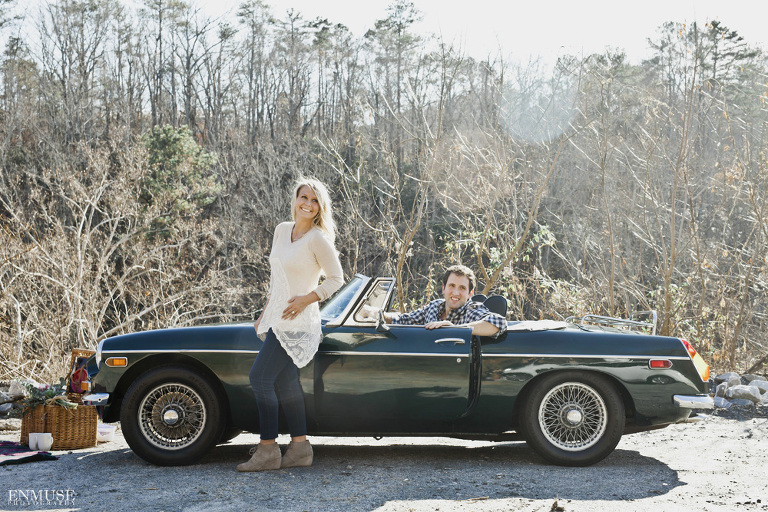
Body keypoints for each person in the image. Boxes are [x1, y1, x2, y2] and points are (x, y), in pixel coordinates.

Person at [237, 178, 343, 472]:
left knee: (260, 378)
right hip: (277, 317)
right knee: (286, 383)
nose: (308, 204)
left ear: (320, 207)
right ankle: (299, 449)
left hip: (298, 321)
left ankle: (267, 450)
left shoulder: (318, 239)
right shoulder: (282, 230)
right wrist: (265, 313)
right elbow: (277, 279)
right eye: (304, 197)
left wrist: (307, 299)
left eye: (315, 200)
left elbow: (336, 278)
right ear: (295, 199)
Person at [381, 265, 506, 338]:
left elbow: (499, 322)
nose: (456, 293)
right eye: (452, 286)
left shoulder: (472, 309)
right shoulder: (434, 306)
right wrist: (378, 314)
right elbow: (404, 320)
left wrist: (455, 329)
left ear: (470, 294)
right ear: (443, 289)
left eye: (462, 288)